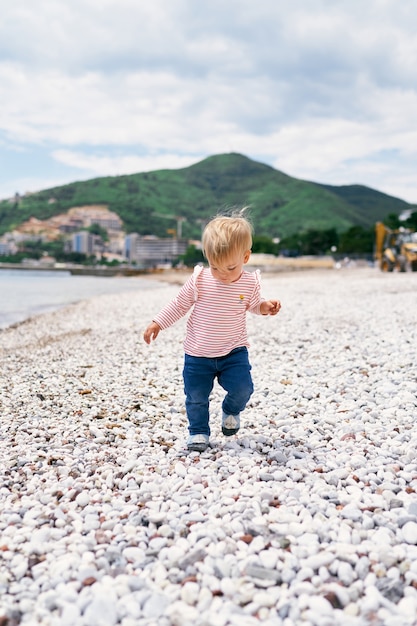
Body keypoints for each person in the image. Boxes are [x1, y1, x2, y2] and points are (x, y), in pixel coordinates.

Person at [143, 212, 281, 452]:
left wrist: (266, 307)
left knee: (243, 388)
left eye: (230, 267)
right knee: (196, 397)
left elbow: (254, 305)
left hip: (233, 352)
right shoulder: (200, 280)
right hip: (198, 354)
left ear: (246, 257)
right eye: (215, 267)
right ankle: (198, 431)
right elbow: (179, 304)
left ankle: (231, 409)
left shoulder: (249, 283)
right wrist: (158, 322)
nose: (223, 274)